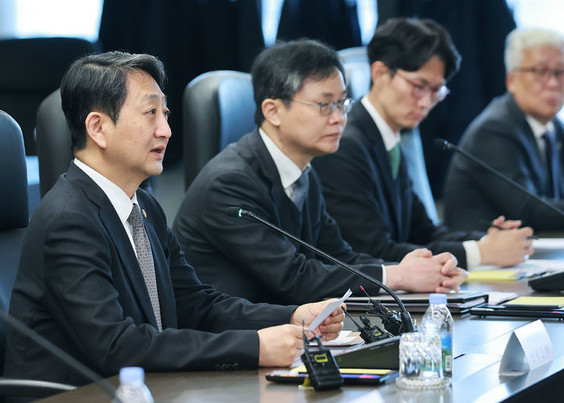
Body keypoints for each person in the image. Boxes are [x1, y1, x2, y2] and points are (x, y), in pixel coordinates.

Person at [4, 51, 345, 386]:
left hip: (145, 387)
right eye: (150, 113)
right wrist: (255, 347)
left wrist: (291, 315)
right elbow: (116, 346)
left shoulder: (145, 206)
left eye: (165, 114)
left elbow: (197, 305)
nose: (166, 130)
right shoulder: (69, 220)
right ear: (98, 127)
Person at [174, 39, 467, 306]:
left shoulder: (303, 171)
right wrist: (398, 276)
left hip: (292, 327)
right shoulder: (229, 183)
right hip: (236, 336)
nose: (339, 118)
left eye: (341, 103)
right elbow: (293, 277)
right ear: (273, 111)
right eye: (324, 105)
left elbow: (338, 256)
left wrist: (413, 270)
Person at [312, 18, 534, 270]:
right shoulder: (344, 145)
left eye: (436, 90)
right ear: (380, 73)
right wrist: (479, 253)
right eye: (419, 86)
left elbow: (423, 231)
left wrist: (488, 241)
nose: (426, 102)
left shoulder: (389, 139)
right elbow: (372, 250)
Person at [444, 27, 564, 232]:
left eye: (560, 72)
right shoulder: (494, 129)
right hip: (483, 249)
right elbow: (528, 210)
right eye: (539, 71)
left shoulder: (556, 128)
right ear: (511, 80)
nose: (553, 83)